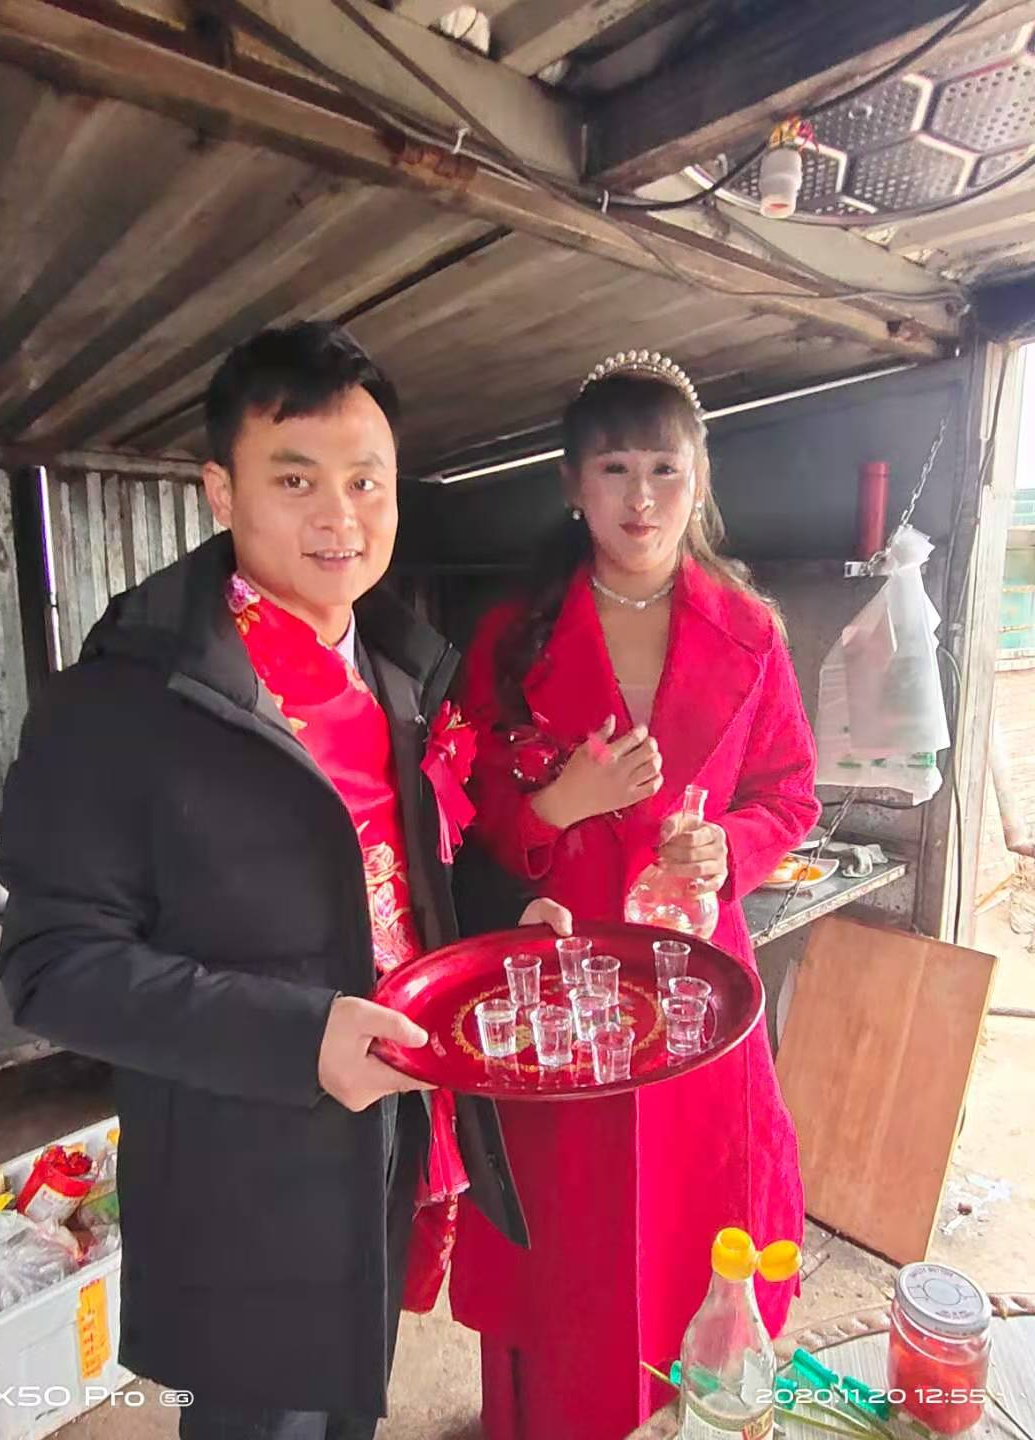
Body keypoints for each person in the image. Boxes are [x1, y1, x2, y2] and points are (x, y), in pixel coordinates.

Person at [0, 323, 566, 1439]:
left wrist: (510, 915)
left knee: (351, 1409)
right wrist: (300, 1040)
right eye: (295, 479)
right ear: (221, 490)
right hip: (240, 1171)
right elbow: (56, 967)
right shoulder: (121, 702)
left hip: (392, 1133)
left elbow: (400, 877)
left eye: (367, 481)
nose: (339, 516)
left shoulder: (399, 670)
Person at [450, 350, 821, 1440]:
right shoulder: (512, 634)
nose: (642, 497)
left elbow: (789, 791)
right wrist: (557, 806)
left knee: (696, 1212)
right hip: (556, 978)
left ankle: (685, 1410)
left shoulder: (749, 631)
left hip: (698, 980)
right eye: (615, 468)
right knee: (564, 1231)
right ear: (573, 485)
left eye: (665, 468)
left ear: (699, 480)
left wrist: (729, 850)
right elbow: (461, 810)